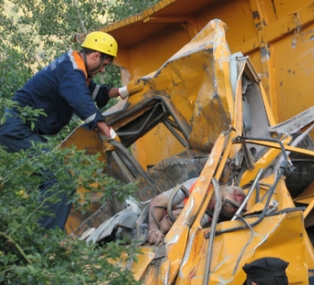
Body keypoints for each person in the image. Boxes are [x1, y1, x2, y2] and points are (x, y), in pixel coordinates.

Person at [0, 31, 145, 230]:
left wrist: (123, 91)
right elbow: (80, 101)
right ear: (96, 56)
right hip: (16, 128)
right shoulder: (73, 71)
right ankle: (44, 242)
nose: (103, 70)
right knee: (58, 180)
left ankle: (31, 234)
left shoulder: (74, 65)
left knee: (49, 180)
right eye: (104, 65)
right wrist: (108, 132)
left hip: (19, 128)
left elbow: (94, 92)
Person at [147, 177, 246, 244]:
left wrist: (159, 232)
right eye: (221, 200)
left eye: (223, 209)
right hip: (148, 217)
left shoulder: (209, 219)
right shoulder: (199, 184)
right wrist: (153, 229)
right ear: (222, 188)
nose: (217, 207)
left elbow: (168, 224)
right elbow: (158, 201)